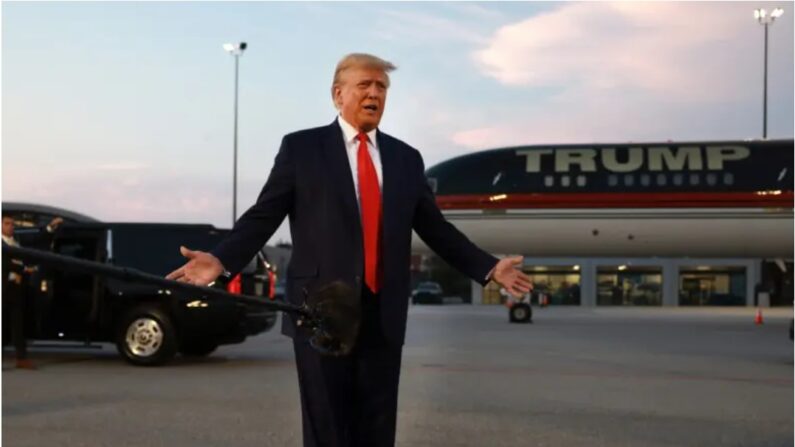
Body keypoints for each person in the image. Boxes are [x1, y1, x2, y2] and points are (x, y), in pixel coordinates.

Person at [167, 53, 532, 447]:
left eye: (382, 87)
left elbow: (436, 229)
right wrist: (222, 260)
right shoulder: (302, 149)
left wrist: (490, 268)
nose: (375, 93)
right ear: (338, 94)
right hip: (321, 308)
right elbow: (264, 215)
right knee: (326, 426)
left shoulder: (405, 159)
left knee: (376, 427)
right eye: (365, 85)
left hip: (383, 309)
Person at [2, 213, 63, 370]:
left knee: (17, 324)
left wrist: (50, 227)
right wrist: (25, 269)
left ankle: (21, 358)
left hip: (16, 288)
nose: (11, 226)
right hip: (4, 287)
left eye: (12, 224)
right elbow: (5, 263)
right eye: (7, 223)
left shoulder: (17, 241)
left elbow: (36, 242)